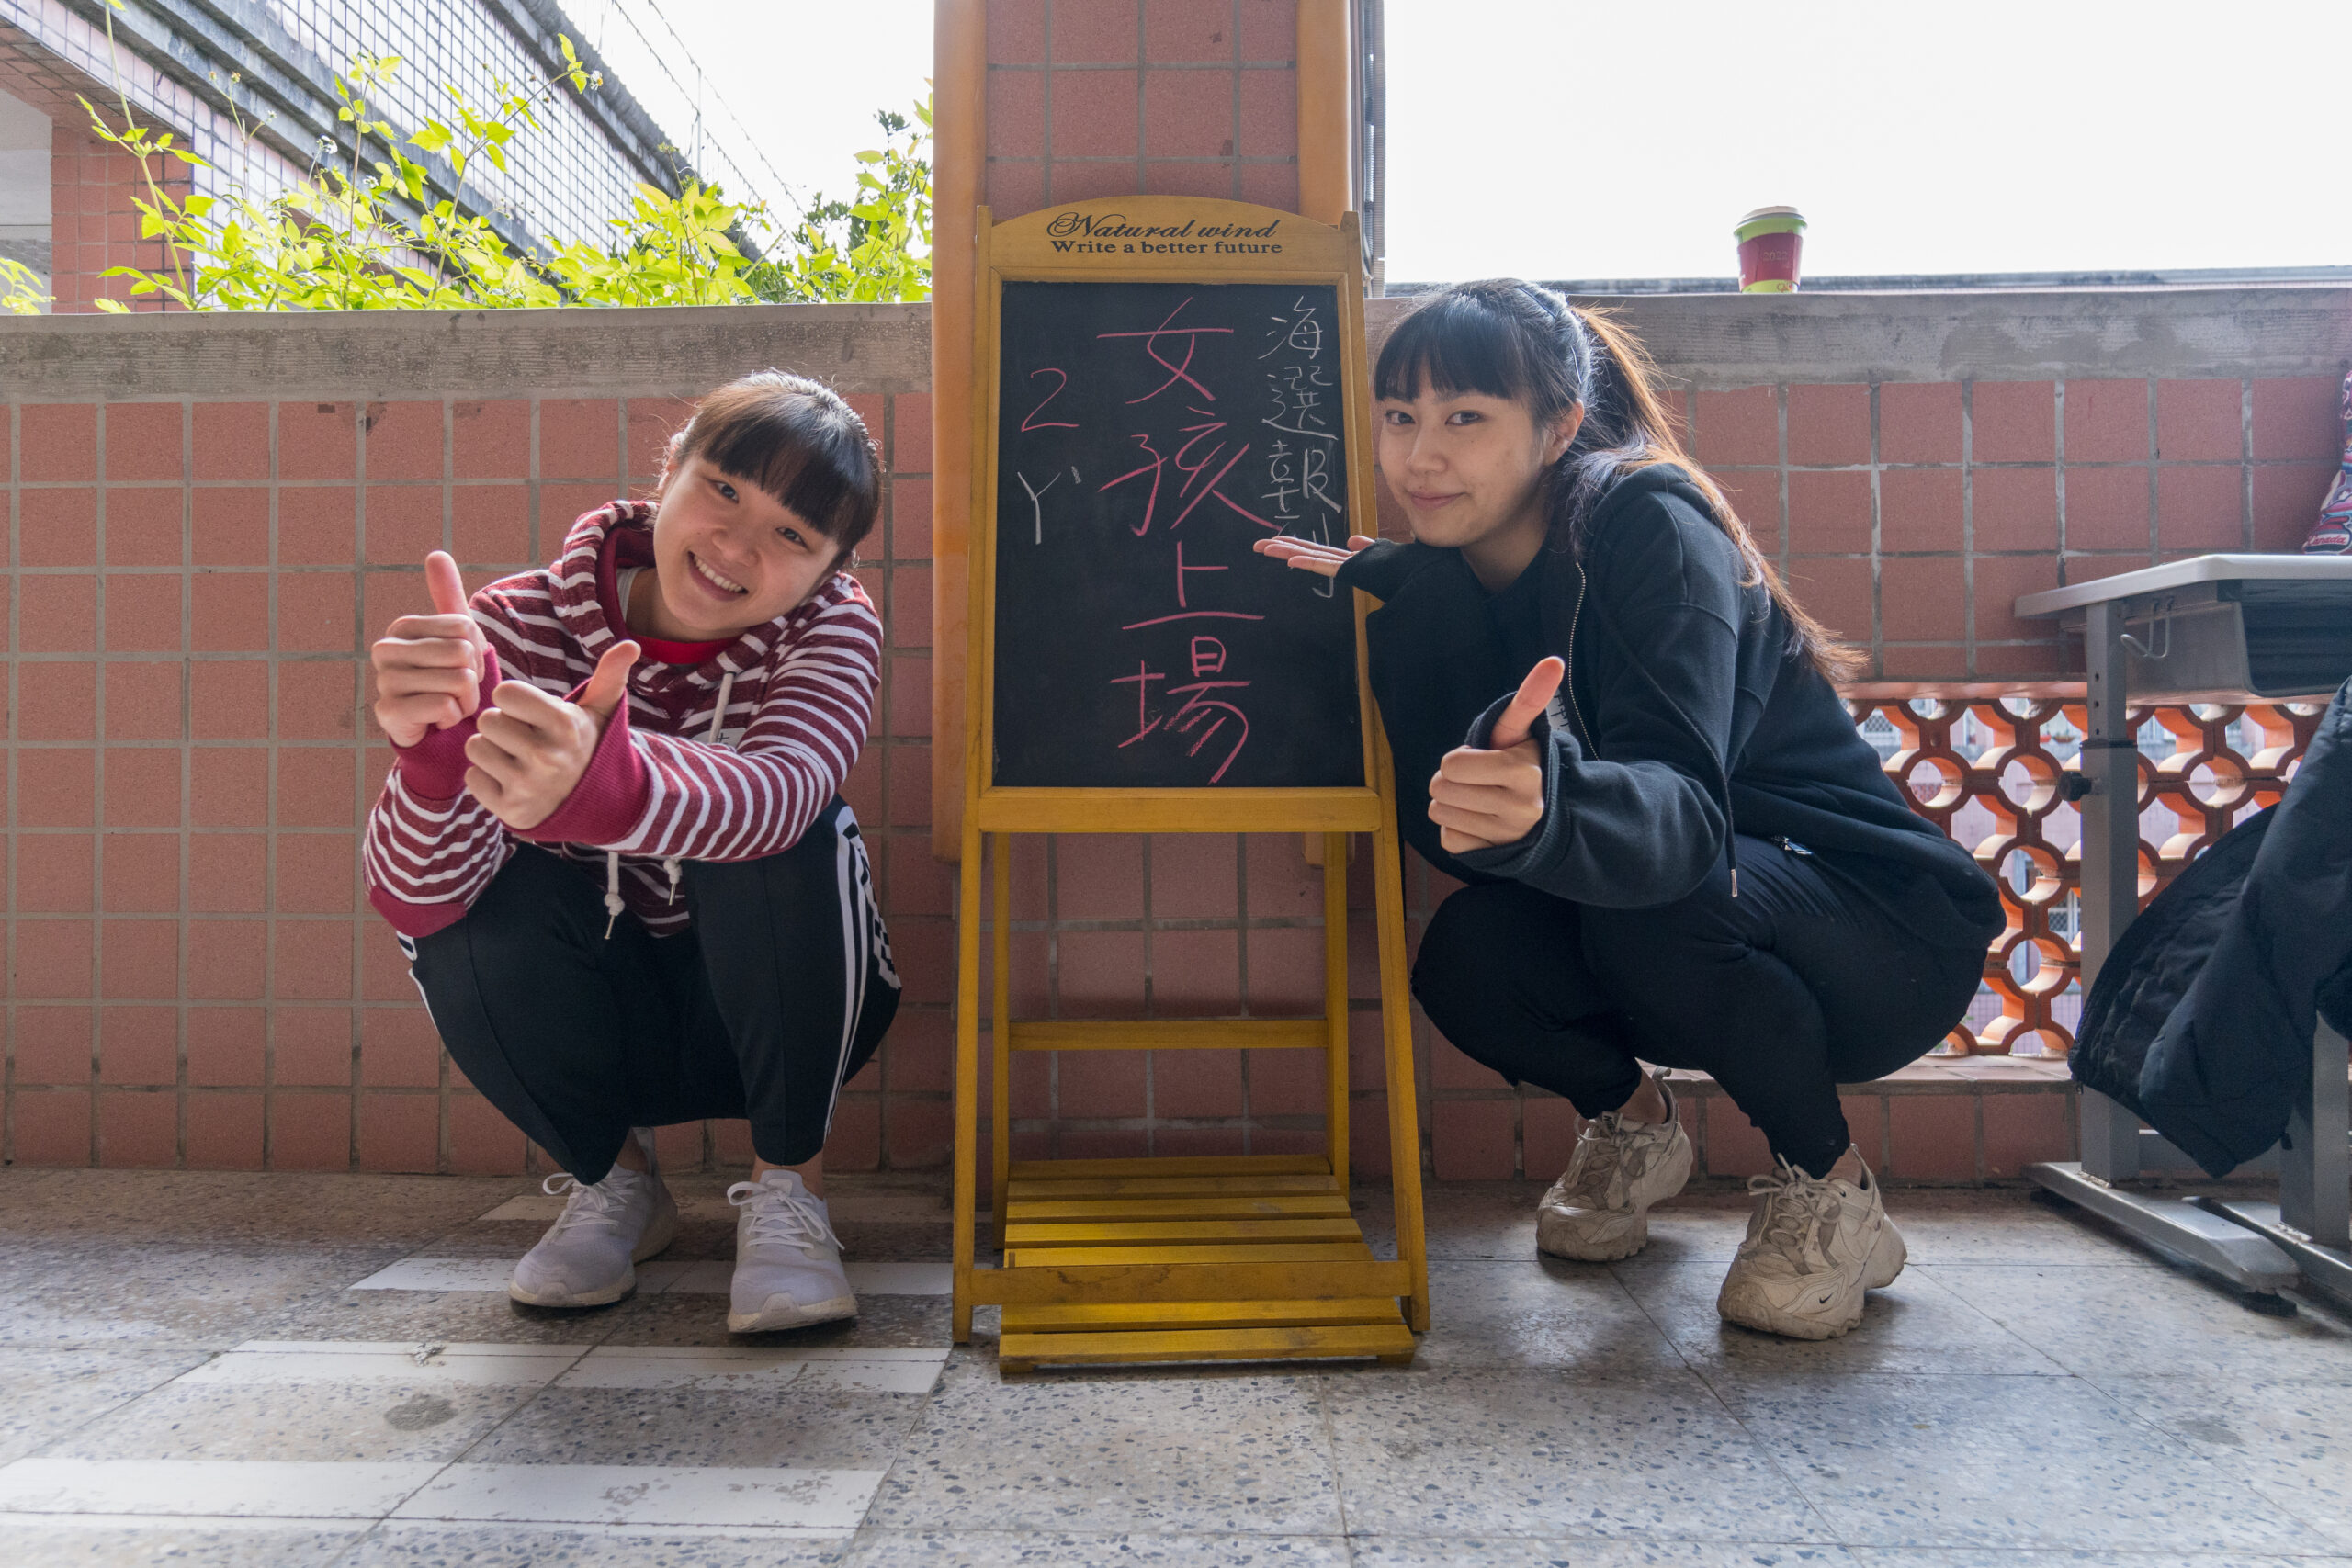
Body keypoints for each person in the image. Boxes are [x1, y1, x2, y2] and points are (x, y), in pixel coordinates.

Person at [1256, 281, 2001, 1340]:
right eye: (1399, 417)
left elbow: (1682, 815)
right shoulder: (1435, 583)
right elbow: (1458, 844)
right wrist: (1444, 666)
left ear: (1559, 423)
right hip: (1679, 909)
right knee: (1469, 954)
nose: (1421, 456)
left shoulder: (1645, 519)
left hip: (1874, 927)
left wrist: (1552, 801)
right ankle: (1634, 1125)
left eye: (1466, 417)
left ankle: (1831, 1193)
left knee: (1652, 897)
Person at [363, 371, 899, 1334]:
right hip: (599, 1009)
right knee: (468, 901)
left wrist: (611, 788)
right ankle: (615, 1185)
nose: (736, 545)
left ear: (830, 569)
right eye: (724, 490)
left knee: (795, 830)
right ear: (670, 471)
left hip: (774, 1004)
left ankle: (788, 1194)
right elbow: (412, 902)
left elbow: (786, 792)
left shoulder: (831, 627)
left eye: (792, 535)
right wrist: (436, 766)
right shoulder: (515, 623)